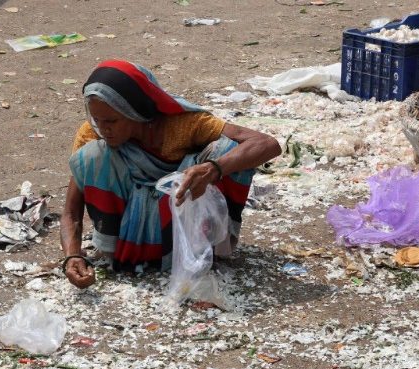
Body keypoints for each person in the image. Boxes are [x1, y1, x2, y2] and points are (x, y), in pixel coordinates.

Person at [60, 60, 281, 288]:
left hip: (179, 215)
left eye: (112, 121)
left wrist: (213, 169)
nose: (103, 128)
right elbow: (70, 211)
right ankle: (122, 252)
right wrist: (73, 255)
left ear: (135, 111)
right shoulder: (92, 134)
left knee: (229, 150)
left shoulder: (182, 124)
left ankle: (207, 249)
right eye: (97, 120)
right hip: (126, 244)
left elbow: (266, 143)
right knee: (91, 156)